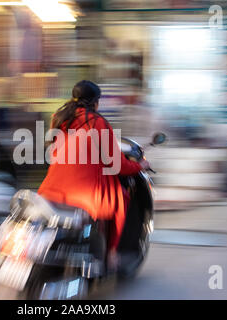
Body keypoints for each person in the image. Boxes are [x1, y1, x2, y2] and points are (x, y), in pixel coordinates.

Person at [38, 80, 150, 269]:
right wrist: (139, 166)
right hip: (84, 192)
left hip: (51, 187)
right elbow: (117, 165)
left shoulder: (58, 117)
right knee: (120, 199)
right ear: (95, 102)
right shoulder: (97, 122)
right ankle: (111, 253)